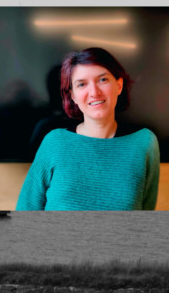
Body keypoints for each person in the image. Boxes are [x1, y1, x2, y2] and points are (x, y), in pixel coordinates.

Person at [16, 47, 160, 211]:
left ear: (119, 85)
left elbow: (145, 214)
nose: (94, 92)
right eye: (82, 84)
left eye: (103, 80)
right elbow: (26, 209)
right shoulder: (54, 142)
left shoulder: (144, 143)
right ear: (73, 96)